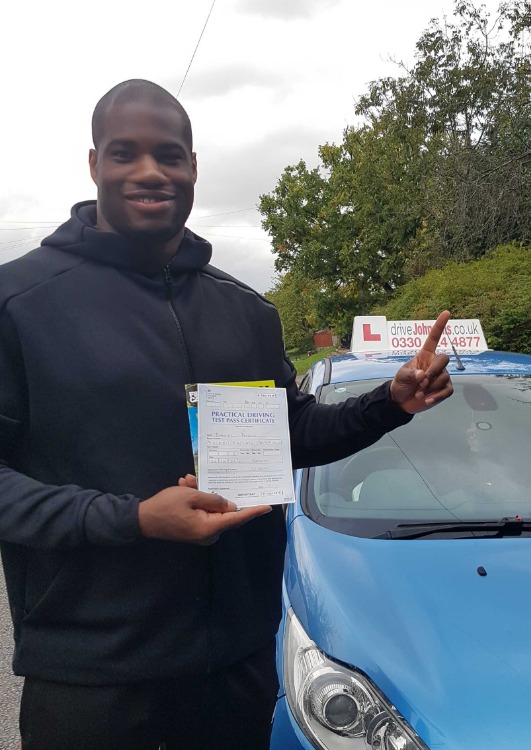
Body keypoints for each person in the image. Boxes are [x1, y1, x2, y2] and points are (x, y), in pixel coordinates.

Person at [0, 79, 453, 750]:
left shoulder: (245, 310)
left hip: (231, 664)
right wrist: (131, 519)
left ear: (192, 168)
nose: (150, 171)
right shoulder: (21, 303)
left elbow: (289, 435)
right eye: (125, 153)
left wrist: (387, 404)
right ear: (94, 164)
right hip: (94, 675)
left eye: (170, 154)